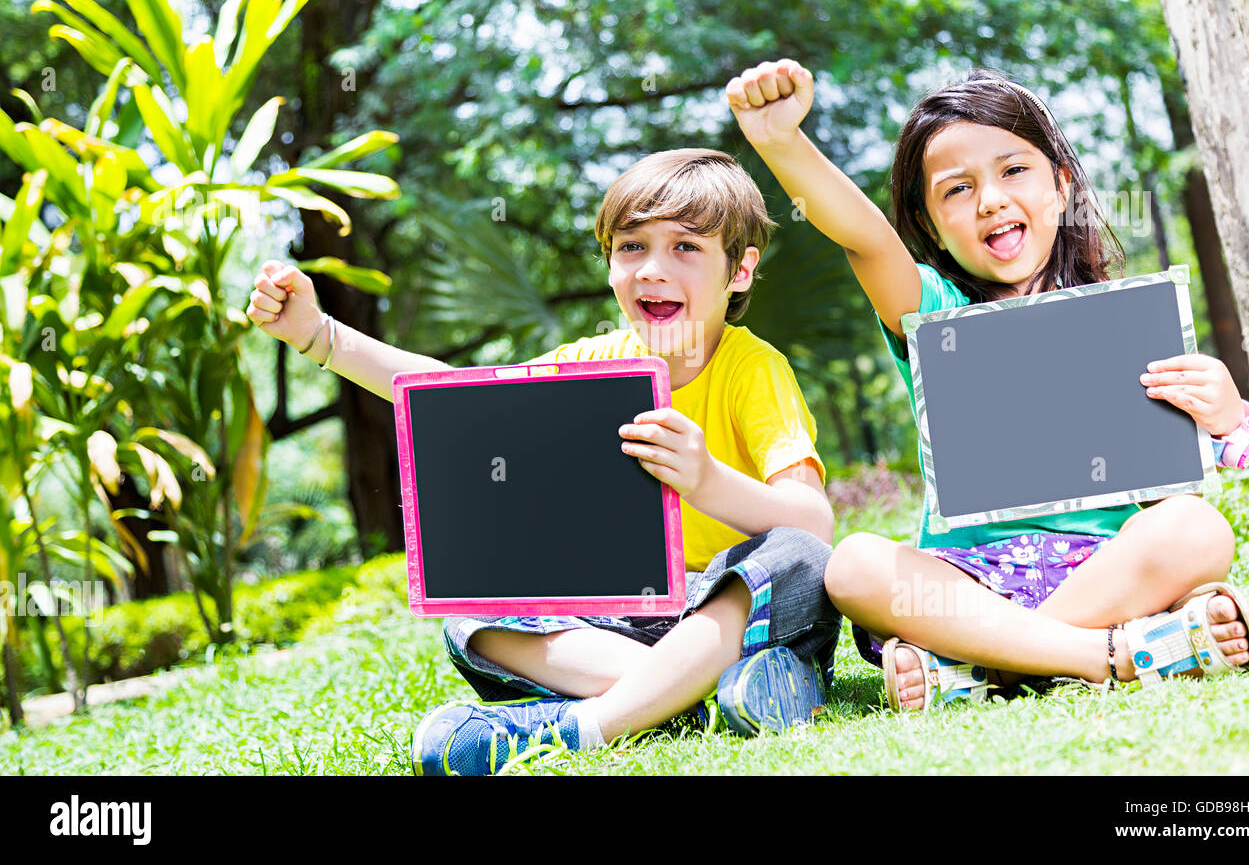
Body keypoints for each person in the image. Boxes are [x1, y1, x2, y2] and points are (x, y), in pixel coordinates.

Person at [246, 148, 841, 771]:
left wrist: (706, 479)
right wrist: (319, 334)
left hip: (736, 612)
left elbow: (811, 525)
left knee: (797, 556)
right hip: (631, 622)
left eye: (686, 248)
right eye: (631, 247)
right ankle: (705, 695)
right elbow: (455, 395)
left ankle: (590, 724)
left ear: (740, 271)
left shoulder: (753, 369)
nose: (651, 270)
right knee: (471, 612)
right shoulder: (594, 363)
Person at [728, 59, 1249, 711]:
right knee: (854, 565)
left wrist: (1224, 407)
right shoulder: (932, 311)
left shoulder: (1126, 323)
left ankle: (989, 670)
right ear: (929, 226)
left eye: (1014, 171)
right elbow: (865, 238)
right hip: (967, 585)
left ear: (1061, 188)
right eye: (956, 189)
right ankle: (1112, 653)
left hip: (1104, 569)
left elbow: (1206, 452)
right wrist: (780, 141)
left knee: (1197, 528)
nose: (989, 199)